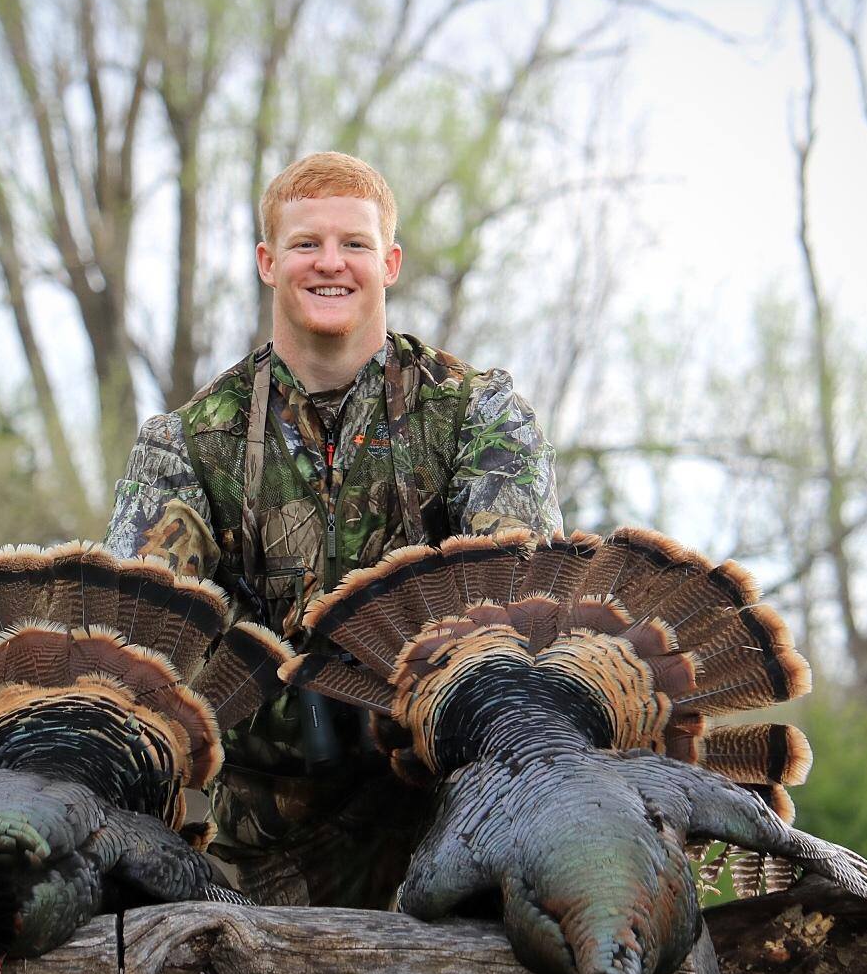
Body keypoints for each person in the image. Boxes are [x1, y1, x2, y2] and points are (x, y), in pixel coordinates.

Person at [105, 151, 562, 910]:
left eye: (353, 244)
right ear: (266, 261)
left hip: (457, 829)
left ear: (390, 261)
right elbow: (144, 644)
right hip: (252, 864)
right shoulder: (187, 443)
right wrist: (300, 706)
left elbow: (522, 606)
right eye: (306, 244)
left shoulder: (479, 415)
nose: (330, 264)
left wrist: (377, 701)